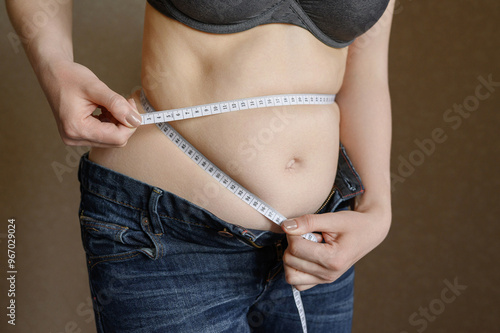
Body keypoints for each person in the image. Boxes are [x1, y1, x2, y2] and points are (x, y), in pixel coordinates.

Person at [7, 0, 395, 332]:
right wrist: (54, 66)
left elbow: (367, 73)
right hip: (165, 237)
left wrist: (377, 211)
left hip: (319, 244)